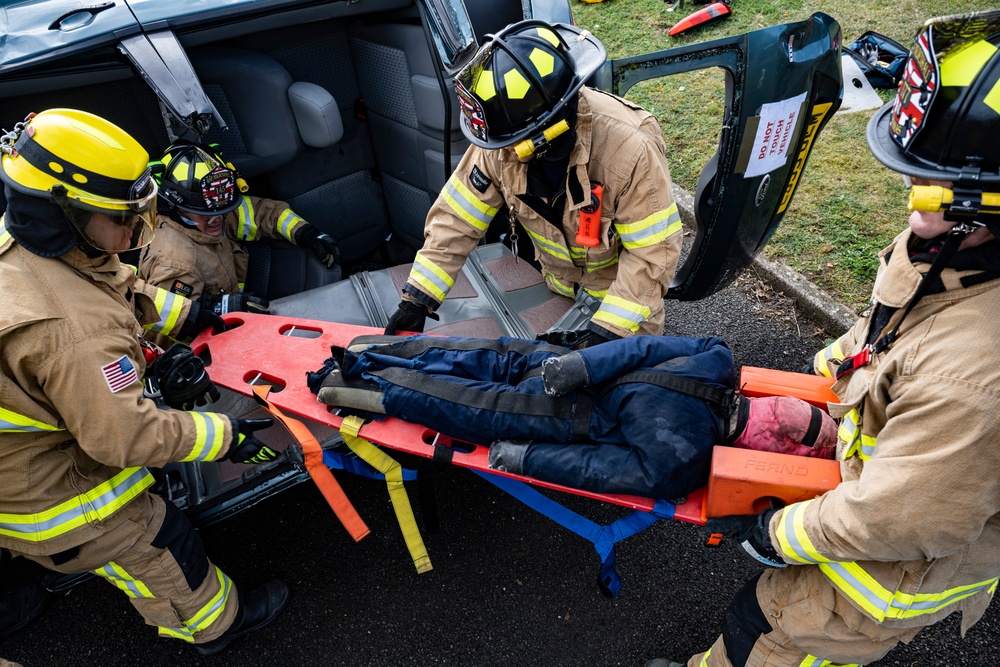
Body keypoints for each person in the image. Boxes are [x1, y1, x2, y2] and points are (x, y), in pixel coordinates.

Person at [647, 11, 1000, 667]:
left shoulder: (974, 379)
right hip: (890, 481)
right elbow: (889, 331)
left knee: (777, 631)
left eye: (934, 188)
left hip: (885, 576)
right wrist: (823, 400)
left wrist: (779, 533)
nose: (912, 205)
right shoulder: (959, 251)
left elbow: (901, 518)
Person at [0, 109, 290, 655]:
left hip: (17, 453)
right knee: (160, 543)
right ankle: (216, 626)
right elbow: (123, 437)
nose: (138, 232)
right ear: (63, 213)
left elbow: (116, 283)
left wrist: (195, 315)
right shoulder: (74, 334)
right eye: (126, 219)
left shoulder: (33, 246)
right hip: (46, 494)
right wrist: (224, 434)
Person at [384, 20, 683, 346]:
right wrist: (419, 297)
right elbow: (456, 217)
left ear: (548, 132)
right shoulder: (503, 142)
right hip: (557, 291)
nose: (504, 153)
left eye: (514, 143)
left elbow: (653, 255)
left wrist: (608, 332)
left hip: (625, 307)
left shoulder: (628, 151)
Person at [313, 334, 836, 500]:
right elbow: (591, 467)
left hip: (563, 373)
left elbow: (642, 346)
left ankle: (370, 355)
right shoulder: (684, 459)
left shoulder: (716, 359)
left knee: (483, 356)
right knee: (462, 403)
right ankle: (358, 383)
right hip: (559, 412)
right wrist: (528, 458)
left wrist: (582, 362)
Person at [138, 141, 339, 347]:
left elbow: (261, 213)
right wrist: (213, 309)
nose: (217, 219)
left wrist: (304, 232)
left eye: (221, 211)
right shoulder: (175, 261)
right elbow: (161, 340)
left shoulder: (208, 211)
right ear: (176, 206)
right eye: (207, 215)